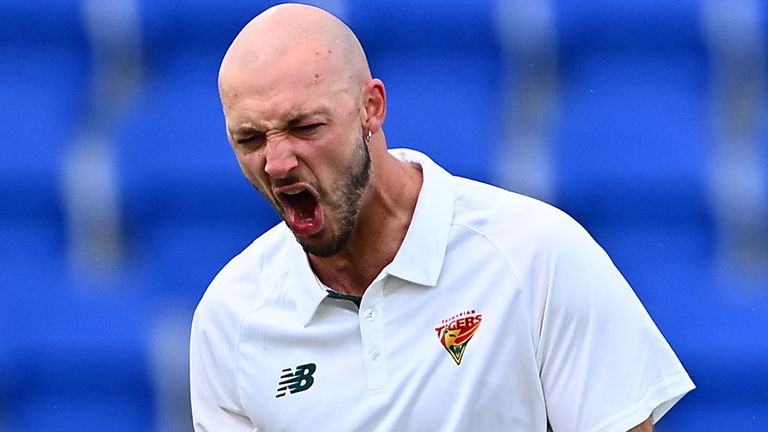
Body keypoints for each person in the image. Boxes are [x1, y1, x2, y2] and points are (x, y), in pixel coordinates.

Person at [189, 3, 695, 431]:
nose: (277, 163)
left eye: (305, 126)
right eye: (249, 138)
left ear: (371, 108)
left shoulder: (536, 253)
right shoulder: (229, 317)